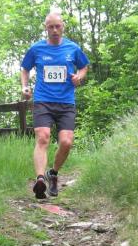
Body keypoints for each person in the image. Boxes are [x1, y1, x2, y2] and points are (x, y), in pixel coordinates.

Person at [20, 12, 89, 199]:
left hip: (66, 102)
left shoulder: (72, 48)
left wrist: (79, 77)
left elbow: (84, 66)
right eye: (51, 27)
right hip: (43, 101)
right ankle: (40, 179)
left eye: (57, 26)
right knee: (43, 137)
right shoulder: (36, 49)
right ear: (46, 28)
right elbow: (25, 69)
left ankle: (53, 173)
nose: (55, 30)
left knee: (66, 142)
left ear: (63, 27)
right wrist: (25, 86)